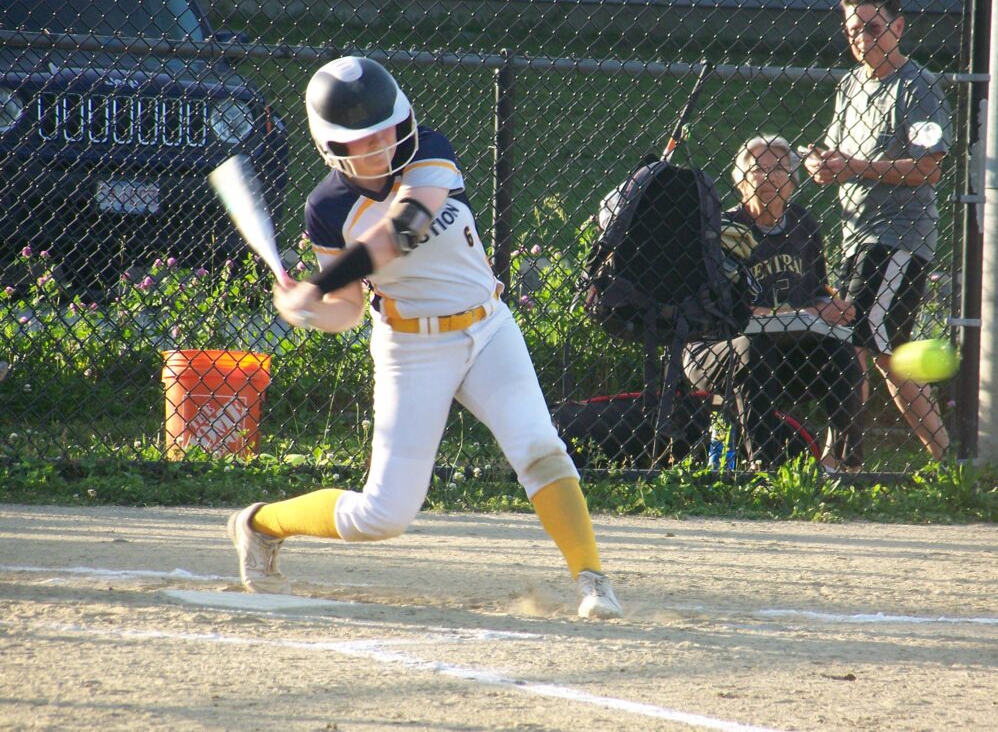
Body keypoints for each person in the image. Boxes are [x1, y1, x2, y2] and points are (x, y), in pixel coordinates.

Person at [225, 56, 621, 619]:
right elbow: (349, 310)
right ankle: (260, 524)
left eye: (387, 127)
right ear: (334, 148)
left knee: (539, 447)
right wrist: (311, 308)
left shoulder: (429, 151)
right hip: (411, 350)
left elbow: (404, 229)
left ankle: (592, 580)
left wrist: (319, 282)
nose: (385, 142)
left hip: (488, 329)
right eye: (366, 138)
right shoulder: (327, 210)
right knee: (383, 515)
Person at [803, 0, 951, 460]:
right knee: (889, 358)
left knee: (852, 346)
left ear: (899, 26)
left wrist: (854, 167)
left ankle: (839, 458)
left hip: (897, 240)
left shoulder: (918, 87)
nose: (861, 39)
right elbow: (838, 150)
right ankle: (947, 460)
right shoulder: (849, 86)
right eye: (852, 30)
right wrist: (822, 163)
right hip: (856, 238)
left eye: (872, 27)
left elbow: (929, 167)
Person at [683, 136, 864, 471]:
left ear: (794, 182)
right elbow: (723, 311)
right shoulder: (724, 230)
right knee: (755, 349)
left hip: (788, 351)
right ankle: (764, 469)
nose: (769, 177)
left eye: (780, 168)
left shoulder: (803, 225)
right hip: (715, 350)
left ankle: (843, 466)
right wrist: (807, 312)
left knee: (842, 356)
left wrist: (831, 304)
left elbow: (818, 290)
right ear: (739, 181)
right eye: (757, 169)